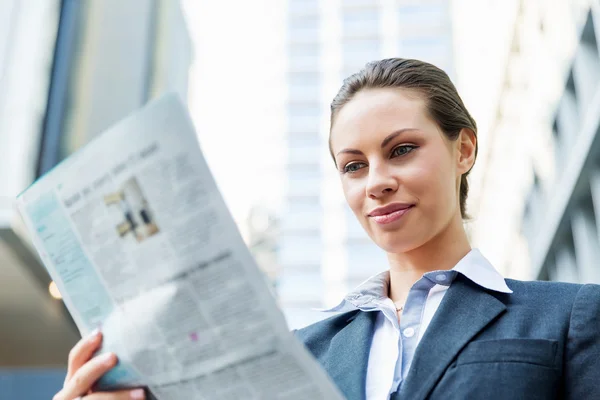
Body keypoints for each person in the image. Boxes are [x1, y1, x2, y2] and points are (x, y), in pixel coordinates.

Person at [54, 58, 600, 400]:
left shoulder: (571, 315)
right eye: (354, 165)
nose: (377, 182)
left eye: (402, 150)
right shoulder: (300, 351)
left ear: (464, 149)